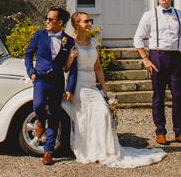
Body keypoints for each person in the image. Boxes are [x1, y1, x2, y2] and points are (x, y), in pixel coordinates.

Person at [62, 12, 166, 168]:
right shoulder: (71, 43)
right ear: (77, 24)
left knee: (103, 112)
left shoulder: (93, 42)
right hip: (78, 85)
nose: (89, 23)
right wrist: (70, 57)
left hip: (91, 85)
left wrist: (104, 90)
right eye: (85, 21)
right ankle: (89, 150)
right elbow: (66, 68)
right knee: (85, 117)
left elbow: (97, 68)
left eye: (90, 20)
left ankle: (105, 150)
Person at [133, 0, 181, 146]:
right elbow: (138, 38)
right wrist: (145, 58)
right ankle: (160, 132)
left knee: (178, 96)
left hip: (175, 57)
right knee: (158, 96)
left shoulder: (179, 15)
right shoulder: (149, 15)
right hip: (157, 56)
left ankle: (180, 132)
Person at [24, 6, 78, 165]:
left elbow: (72, 67)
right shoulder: (39, 35)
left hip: (57, 81)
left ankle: (48, 151)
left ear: (60, 22)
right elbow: (28, 54)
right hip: (40, 78)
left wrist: (70, 88)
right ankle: (40, 121)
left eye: (50, 19)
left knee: (54, 115)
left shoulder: (70, 41)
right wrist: (31, 71)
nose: (46, 21)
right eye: (46, 18)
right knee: (39, 105)